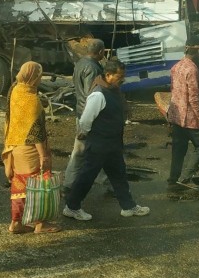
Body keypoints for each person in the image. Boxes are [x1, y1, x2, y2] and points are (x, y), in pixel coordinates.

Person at [63, 60, 150, 221]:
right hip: (99, 144)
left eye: (123, 76)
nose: (122, 79)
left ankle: (128, 206)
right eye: (119, 76)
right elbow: (86, 120)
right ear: (108, 75)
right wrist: (85, 134)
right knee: (87, 177)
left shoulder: (113, 90)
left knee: (119, 175)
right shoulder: (98, 94)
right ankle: (72, 207)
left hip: (113, 144)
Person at [2, 61, 61, 234]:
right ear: (34, 77)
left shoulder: (15, 91)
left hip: (15, 146)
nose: (40, 78)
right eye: (39, 75)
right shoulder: (32, 101)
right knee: (38, 187)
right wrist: (44, 156)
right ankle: (41, 224)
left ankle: (16, 223)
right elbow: (36, 133)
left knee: (19, 188)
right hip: (30, 151)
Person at [166, 36, 199, 189]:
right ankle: (185, 179)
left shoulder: (176, 67)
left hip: (177, 116)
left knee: (178, 149)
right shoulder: (192, 69)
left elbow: (173, 91)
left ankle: (173, 178)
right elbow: (194, 98)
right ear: (198, 50)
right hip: (190, 118)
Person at [63, 38, 106, 194]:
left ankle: (99, 180)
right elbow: (92, 94)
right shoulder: (93, 68)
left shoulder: (80, 63)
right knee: (84, 151)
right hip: (89, 114)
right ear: (100, 52)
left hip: (80, 111)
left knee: (85, 151)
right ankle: (70, 183)